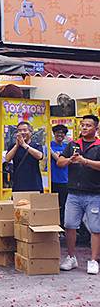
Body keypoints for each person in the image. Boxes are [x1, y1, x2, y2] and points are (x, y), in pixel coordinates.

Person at [57, 115, 100, 275]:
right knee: (69, 225)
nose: (84, 128)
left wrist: (85, 161)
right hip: (74, 193)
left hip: (94, 194)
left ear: (96, 128)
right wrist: (70, 160)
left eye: (88, 125)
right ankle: (71, 257)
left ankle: (94, 260)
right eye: (83, 125)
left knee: (95, 228)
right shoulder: (73, 144)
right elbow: (59, 163)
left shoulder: (98, 145)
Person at [5, 121, 44, 193]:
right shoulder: (13, 146)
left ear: (30, 132)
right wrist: (17, 146)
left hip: (34, 184)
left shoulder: (36, 145)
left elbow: (40, 156)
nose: (22, 132)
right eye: (19, 130)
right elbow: (7, 159)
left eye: (25, 130)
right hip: (18, 185)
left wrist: (24, 145)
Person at [50, 124, 69, 226]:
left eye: (62, 133)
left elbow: (60, 160)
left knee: (64, 205)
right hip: (51, 181)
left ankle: (62, 225)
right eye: (58, 132)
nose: (60, 135)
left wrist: (52, 152)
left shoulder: (67, 147)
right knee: (53, 205)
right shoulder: (49, 144)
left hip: (65, 180)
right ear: (54, 133)